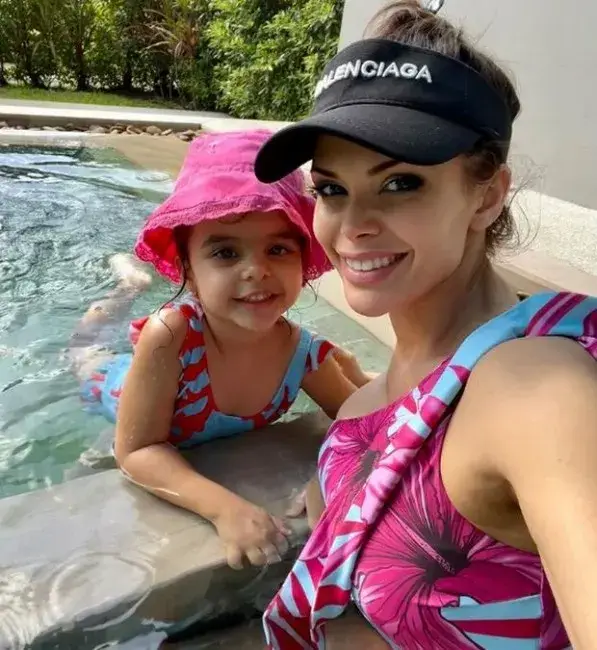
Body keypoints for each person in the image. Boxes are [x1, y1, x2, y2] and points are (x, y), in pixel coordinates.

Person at [253, 2, 597, 649]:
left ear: (486, 195)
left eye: (400, 183)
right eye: (331, 189)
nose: (353, 224)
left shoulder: (535, 389)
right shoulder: (367, 412)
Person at [69, 129, 372, 572]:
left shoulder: (301, 353)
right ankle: (126, 288)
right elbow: (136, 451)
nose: (256, 270)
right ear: (188, 270)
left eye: (278, 249)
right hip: (113, 382)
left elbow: (368, 424)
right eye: (226, 253)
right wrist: (224, 508)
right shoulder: (170, 335)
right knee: (85, 347)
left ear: (303, 262)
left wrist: (330, 473)